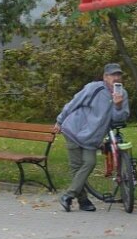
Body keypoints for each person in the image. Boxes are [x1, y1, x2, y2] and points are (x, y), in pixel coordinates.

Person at [54, 63, 130, 212]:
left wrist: (118, 106)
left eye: (118, 75)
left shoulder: (123, 95)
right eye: (112, 75)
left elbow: (119, 121)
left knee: (89, 163)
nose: (116, 78)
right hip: (74, 130)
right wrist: (60, 120)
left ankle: (68, 196)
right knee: (76, 167)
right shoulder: (94, 88)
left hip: (92, 139)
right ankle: (83, 201)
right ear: (105, 77)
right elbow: (74, 102)